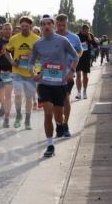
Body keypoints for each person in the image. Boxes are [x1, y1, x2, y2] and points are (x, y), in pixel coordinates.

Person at [29, 15, 79, 158]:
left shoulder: (63, 41)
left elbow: (75, 57)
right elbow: (31, 62)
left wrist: (71, 72)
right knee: (47, 113)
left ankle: (60, 124)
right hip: (44, 83)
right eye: (43, 24)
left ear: (53, 25)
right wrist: (33, 74)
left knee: (58, 114)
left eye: (48, 24)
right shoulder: (38, 44)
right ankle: (50, 145)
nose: (45, 26)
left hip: (60, 83)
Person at [7, 16, 38, 129]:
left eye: (26, 26)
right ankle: (19, 115)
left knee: (29, 97)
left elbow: (41, 56)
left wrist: (33, 55)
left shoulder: (36, 38)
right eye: (22, 26)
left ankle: (27, 120)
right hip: (17, 71)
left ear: (30, 26)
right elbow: (7, 51)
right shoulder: (14, 38)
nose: (24, 28)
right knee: (18, 95)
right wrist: (11, 61)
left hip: (30, 72)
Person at [54, 14, 81, 138]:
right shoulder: (50, 36)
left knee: (65, 99)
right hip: (52, 74)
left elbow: (80, 51)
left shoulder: (74, 38)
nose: (60, 27)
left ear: (67, 24)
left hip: (68, 73)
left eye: (63, 25)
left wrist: (73, 65)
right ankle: (59, 123)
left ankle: (65, 125)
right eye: (58, 25)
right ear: (55, 24)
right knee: (55, 102)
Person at [0, 22, 15, 127]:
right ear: (2, 30)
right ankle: (3, 106)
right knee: (0, 95)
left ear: (11, 30)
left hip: (11, 71)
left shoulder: (15, 41)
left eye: (9, 29)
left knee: (8, 94)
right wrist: (2, 52)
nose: (7, 31)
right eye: (5, 29)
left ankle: (7, 118)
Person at [76, 24, 93, 98]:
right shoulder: (76, 36)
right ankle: (79, 93)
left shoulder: (90, 35)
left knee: (85, 75)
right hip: (78, 58)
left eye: (88, 30)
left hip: (86, 58)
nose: (86, 32)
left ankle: (84, 91)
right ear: (81, 30)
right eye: (85, 30)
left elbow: (96, 45)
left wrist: (90, 39)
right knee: (78, 75)